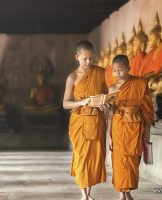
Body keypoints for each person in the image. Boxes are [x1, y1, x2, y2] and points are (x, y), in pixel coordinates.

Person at [63, 40, 109, 200]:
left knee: (94, 158)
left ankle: (89, 194)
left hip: (97, 121)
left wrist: (106, 104)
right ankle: (84, 195)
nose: (89, 62)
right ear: (77, 57)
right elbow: (65, 103)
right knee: (82, 157)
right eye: (85, 59)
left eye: (91, 58)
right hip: (80, 121)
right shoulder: (72, 77)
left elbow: (107, 95)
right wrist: (81, 102)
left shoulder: (102, 73)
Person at [107, 55, 154, 200]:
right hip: (118, 128)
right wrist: (109, 135)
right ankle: (122, 193)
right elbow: (110, 113)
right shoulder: (112, 88)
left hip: (134, 128)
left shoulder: (140, 84)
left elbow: (147, 110)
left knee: (132, 160)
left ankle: (127, 192)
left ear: (128, 68)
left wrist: (147, 132)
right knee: (119, 161)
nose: (117, 73)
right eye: (115, 71)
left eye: (120, 70)